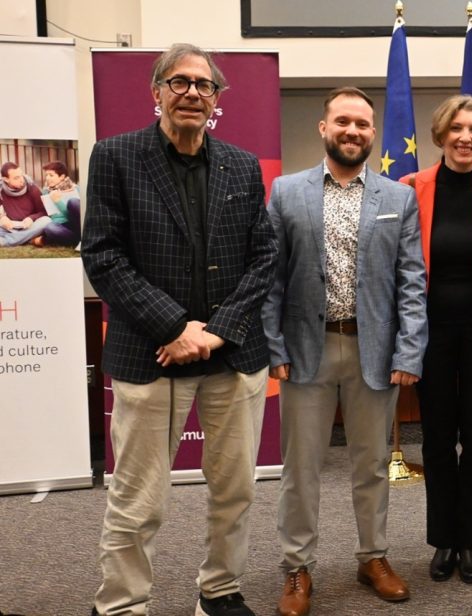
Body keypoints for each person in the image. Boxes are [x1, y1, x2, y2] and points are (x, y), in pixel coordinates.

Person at [81, 43, 276, 616]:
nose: (193, 92)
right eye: (180, 82)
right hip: (152, 353)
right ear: (157, 92)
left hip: (232, 356)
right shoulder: (116, 156)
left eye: (205, 85)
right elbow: (103, 255)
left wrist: (216, 331)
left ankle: (219, 592)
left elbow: (264, 257)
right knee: (138, 499)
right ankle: (121, 604)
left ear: (217, 99)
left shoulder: (240, 164)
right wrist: (173, 325)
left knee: (235, 492)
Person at [262, 86, 427, 614]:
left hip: (372, 350)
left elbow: (411, 281)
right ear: (323, 127)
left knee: (371, 464)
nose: (353, 131)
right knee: (301, 468)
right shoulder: (287, 193)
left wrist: (408, 352)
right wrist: (273, 345)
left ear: (373, 133)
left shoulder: (397, 197)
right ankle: (296, 567)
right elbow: (270, 278)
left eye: (362, 124)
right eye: (343, 121)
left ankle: (372, 556)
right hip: (305, 349)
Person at [399, 95, 472, 584]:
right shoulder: (409, 188)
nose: (466, 137)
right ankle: (443, 539)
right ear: (440, 134)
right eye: (457, 128)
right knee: (438, 437)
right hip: (429, 333)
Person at [0, 162, 51, 247]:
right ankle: (27, 239)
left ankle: (6, 241)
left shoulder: (32, 188)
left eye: (21, 175)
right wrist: (2, 217)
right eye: (16, 178)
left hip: (29, 227)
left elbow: (44, 212)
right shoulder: (1, 190)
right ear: (6, 179)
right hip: (9, 227)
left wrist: (31, 218)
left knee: (46, 221)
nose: (21, 180)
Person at [36, 161, 82, 247]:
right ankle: (78, 241)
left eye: (51, 175)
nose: (47, 178)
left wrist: (58, 202)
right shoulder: (46, 191)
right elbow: (51, 216)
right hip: (61, 226)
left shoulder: (75, 188)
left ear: (62, 176)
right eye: (46, 175)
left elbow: (75, 214)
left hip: (76, 223)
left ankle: (50, 240)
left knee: (73, 202)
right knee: (49, 228)